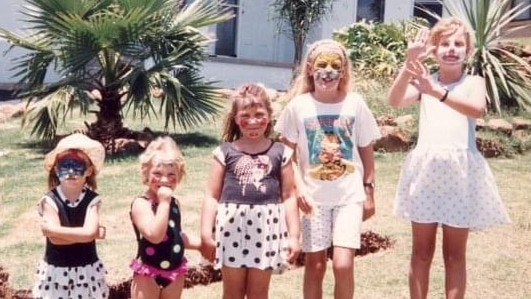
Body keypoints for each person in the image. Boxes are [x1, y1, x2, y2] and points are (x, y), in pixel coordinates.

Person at [387, 17, 511, 299]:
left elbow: (476, 109)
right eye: (444, 43)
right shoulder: (424, 82)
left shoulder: (474, 82)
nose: (451, 49)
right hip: (426, 173)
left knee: (455, 255)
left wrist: (438, 93)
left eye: (458, 44)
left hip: (460, 174)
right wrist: (409, 64)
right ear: (433, 49)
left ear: (468, 50)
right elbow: (394, 100)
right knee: (421, 252)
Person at [274, 39, 381, 299]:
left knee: (344, 264)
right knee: (316, 265)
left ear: (344, 71)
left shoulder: (355, 104)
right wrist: (297, 189)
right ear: (310, 68)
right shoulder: (298, 106)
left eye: (336, 66)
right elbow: (286, 155)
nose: (328, 72)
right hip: (313, 200)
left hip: (349, 197)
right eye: (322, 65)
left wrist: (369, 191)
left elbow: (367, 150)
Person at [200, 83, 301, 299]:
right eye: (246, 115)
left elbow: (290, 196)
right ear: (236, 118)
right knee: (232, 293)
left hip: (266, 228)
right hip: (231, 228)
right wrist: (206, 232)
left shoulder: (281, 152)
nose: (253, 121)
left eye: (259, 114)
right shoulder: (224, 152)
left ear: (269, 115)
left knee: (258, 293)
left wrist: (294, 236)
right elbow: (211, 195)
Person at [33, 133, 109, 299]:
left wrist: (56, 230)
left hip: (87, 271)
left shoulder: (92, 200)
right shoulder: (49, 200)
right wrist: (89, 234)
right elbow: (55, 240)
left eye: (77, 165)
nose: (71, 171)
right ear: (56, 168)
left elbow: (84, 234)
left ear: (89, 170)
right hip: (57, 273)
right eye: (65, 165)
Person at [129, 136, 201, 299]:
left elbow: (174, 235)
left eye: (171, 174)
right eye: (157, 173)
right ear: (146, 174)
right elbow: (155, 236)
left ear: (179, 176)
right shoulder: (142, 204)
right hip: (148, 272)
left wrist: (201, 244)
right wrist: (163, 203)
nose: (164, 179)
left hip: (174, 271)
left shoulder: (173, 203)